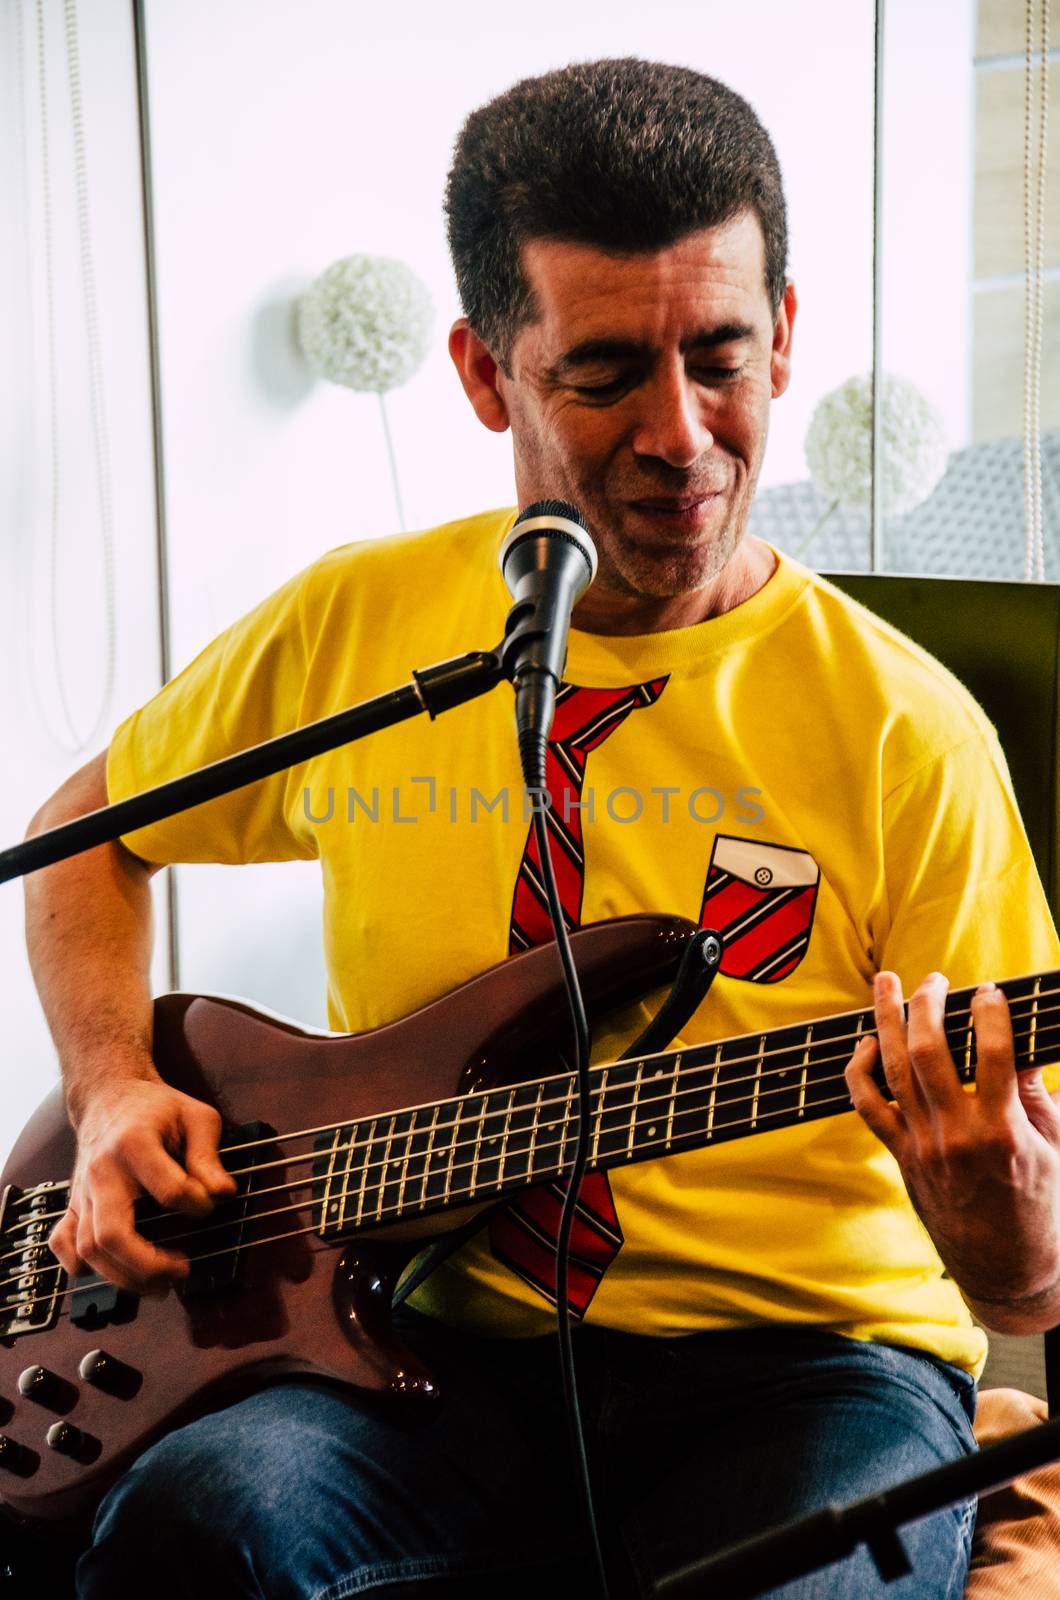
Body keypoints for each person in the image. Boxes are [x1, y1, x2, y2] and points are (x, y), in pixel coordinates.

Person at [23, 58, 1060, 1600]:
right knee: (197, 1534)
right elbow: (83, 832)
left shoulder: (906, 733)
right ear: (482, 369)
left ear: (784, 334)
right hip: (419, 1343)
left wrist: (1003, 1214)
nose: (681, 435)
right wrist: (110, 1086)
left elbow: (1023, 1287)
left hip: (808, 1365)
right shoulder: (365, 621)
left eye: (721, 356)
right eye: (603, 374)